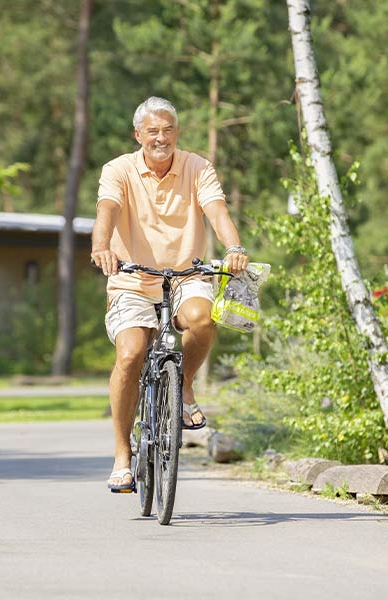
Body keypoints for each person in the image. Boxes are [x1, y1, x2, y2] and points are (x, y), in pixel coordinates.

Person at [90, 96, 248, 492]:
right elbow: (106, 211)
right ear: (138, 134)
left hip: (185, 274)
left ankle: (186, 385)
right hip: (131, 277)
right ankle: (122, 456)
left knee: (201, 316)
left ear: (177, 132)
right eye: (153, 131)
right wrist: (101, 246)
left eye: (168, 130)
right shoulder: (119, 170)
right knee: (130, 352)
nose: (161, 138)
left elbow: (217, 212)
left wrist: (234, 248)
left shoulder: (197, 167)